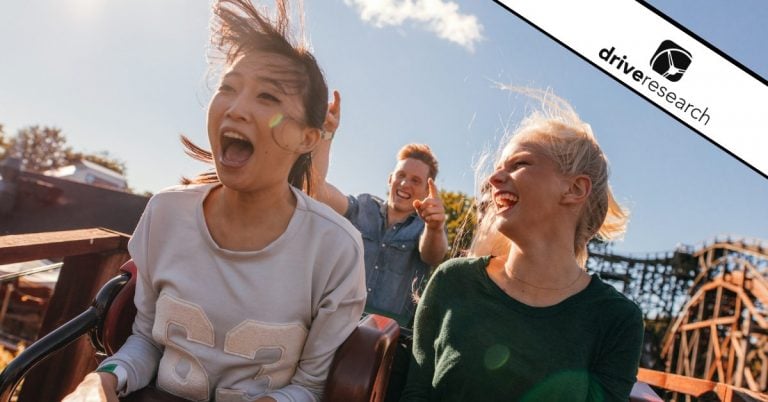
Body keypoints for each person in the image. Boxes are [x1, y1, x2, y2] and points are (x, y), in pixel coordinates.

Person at [63, 1, 366, 401]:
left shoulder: (337, 248)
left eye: (268, 97)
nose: (236, 109)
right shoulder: (165, 212)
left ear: (308, 138)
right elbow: (148, 343)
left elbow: (309, 387)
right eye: (227, 87)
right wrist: (100, 380)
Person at [401, 89, 644, 402]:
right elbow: (415, 394)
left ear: (574, 188)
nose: (494, 178)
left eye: (519, 164)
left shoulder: (617, 319)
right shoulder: (453, 281)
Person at [312, 99, 449, 327]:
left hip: (386, 338)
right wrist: (326, 134)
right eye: (401, 175)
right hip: (333, 321)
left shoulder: (424, 228)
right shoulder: (363, 206)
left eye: (415, 180)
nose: (405, 184)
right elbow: (317, 190)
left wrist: (434, 227)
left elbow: (433, 255)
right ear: (390, 178)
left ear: (427, 190)